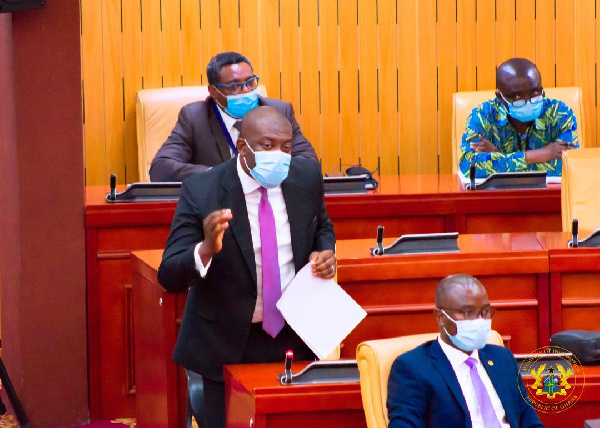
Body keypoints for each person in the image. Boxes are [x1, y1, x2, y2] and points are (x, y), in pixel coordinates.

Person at [157, 106, 336, 428]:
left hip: (293, 335)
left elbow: (321, 226)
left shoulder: (306, 177)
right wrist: (206, 249)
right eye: (268, 146)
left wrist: (324, 253)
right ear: (243, 148)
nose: (279, 155)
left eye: (286, 147)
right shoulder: (203, 190)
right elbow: (169, 274)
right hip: (224, 341)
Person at [387, 274, 544, 428]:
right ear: (440, 317)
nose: (479, 320)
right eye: (468, 312)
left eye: (485, 311)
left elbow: (529, 421)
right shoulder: (412, 368)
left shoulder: (502, 358)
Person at [150, 51, 317, 182]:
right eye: (235, 86)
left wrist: (271, 169)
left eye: (250, 82)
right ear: (213, 91)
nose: (246, 91)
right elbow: (161, 168)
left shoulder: (278, 111)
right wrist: (219, 174)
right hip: (220, 204)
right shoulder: (195, 118)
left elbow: (309, 162)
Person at [459, 58, 579, 178]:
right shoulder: (482, 116)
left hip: (549, 195)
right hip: (497, 195)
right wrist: (536, 155)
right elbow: (469, 167)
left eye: (535, 93)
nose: (529, 102)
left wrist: (500, 157)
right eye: (517, 98)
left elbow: (568, 166)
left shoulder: (560, 114)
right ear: (500, 97)